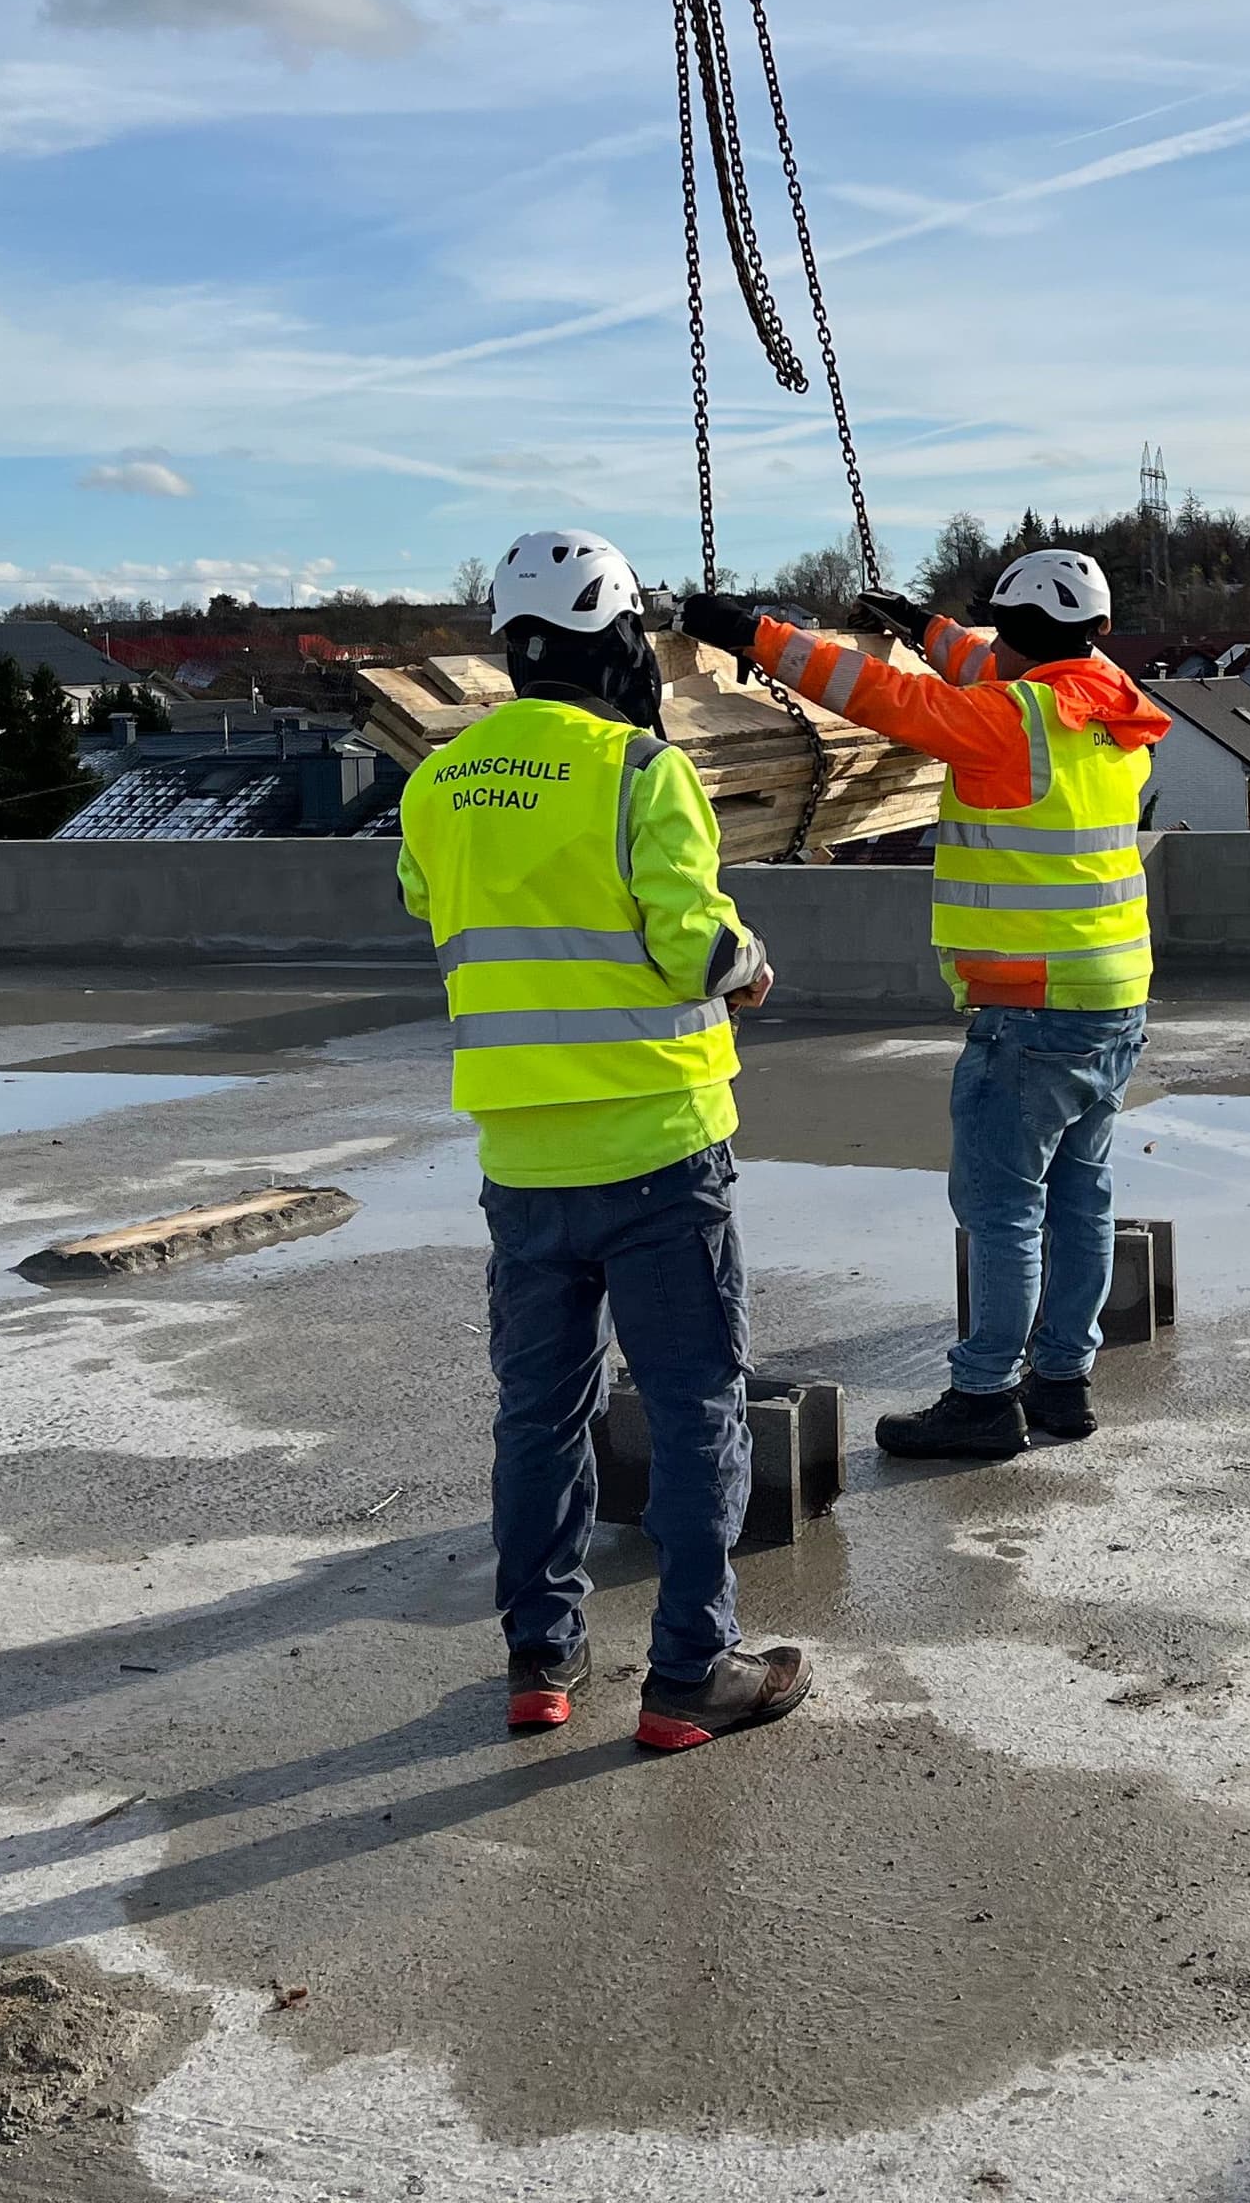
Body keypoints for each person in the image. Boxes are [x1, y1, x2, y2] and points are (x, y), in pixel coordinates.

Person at [398, 528, 811, 1752]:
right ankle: (691, 1673)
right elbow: (691, 942)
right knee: (693, 1410)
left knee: (540, 1412)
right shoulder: (640, 772)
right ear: (619, 637)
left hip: (522, 1159)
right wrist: (750, 964)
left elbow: (432, 904)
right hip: (659, 1147)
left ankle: (542, 1657)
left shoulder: (438, 780)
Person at [679, 550, 1164, 1463]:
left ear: (1016, 636)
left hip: (1032, 1007)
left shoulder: (1006, 721)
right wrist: (926, 629)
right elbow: (999, 670)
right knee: (1080, 1199)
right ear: (1097, 633)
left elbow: (880, 699)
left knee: (1002, 1210)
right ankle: (1062, 1381)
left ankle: (983, 1397)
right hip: (1115, 998)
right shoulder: (1111, 705)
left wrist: (755, 635)